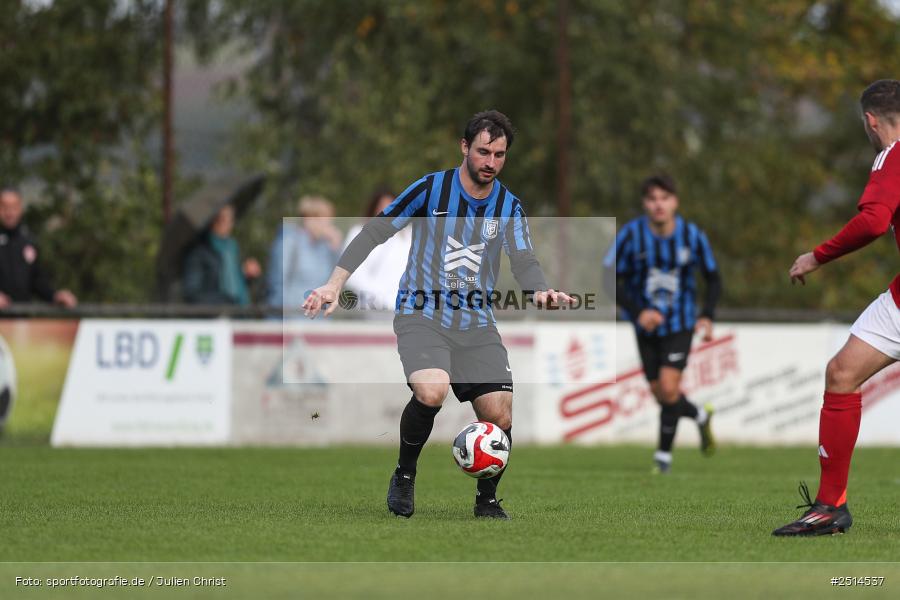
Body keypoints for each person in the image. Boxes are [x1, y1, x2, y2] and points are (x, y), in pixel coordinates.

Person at [302, 110, 573, 519]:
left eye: (499, 155)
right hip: (421, 315)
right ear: (465, 147)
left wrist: (541, 292)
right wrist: (334, 283)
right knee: (432, 391)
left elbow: (524, 261)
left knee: (499, 413)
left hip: (476, 323)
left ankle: (487, 500)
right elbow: (376, 230)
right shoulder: (431, 189)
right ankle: (405, 476)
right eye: (483, 151)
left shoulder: (508, 207)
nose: (491, 162)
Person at [773, 79, 900, 537]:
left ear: (870, 121)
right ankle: (830, 506)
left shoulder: (892, 155)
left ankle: (831, 506)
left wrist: (817, 255)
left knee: (841, 377)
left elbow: (873, 220)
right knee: (842, 373)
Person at [603, 174, 721, 474]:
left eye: (664, 198)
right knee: (660, 393)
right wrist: (639, 311)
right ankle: (699, 416)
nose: (659, 205)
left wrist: (706, 314)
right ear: (645, 203)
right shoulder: (631, 235)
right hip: (645, 327)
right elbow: (607, 277)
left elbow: (713, 278)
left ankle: (663, 460)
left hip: (680, 323)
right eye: (652, 199)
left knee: (669, 388)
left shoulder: (692, 236)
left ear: (675, 202)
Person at [0, 187, 77, 309]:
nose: (9, 212)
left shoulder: (28, 241)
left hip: (22, 321)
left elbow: (37, 281)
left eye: (14, 207)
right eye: (4, 207)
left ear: (20, 208)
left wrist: (55, 296)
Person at [342, 189, 412, 317]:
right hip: (369, 309)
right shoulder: (358, 233)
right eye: (382, 208)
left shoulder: (408, 235)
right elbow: (351, 273)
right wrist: (379, 298)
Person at [267, 195, 342, 311]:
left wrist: (336, 248)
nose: (329, 224)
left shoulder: (325, 247)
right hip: (292, 318)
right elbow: (277, 284)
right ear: (310, 218)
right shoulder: (289, 242)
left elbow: (336, 281)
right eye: (325, 218)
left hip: (317, 320)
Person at [182, 205, 261, 305]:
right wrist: (224, 302)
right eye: (223, 219)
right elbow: (191, 294)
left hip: (239, 315)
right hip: (216, 316)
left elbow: (236, 285)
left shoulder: (232, 249)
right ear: (213, 220)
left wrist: (246, 275)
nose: (228, 224)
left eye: (231, 219)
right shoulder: (198, 253)